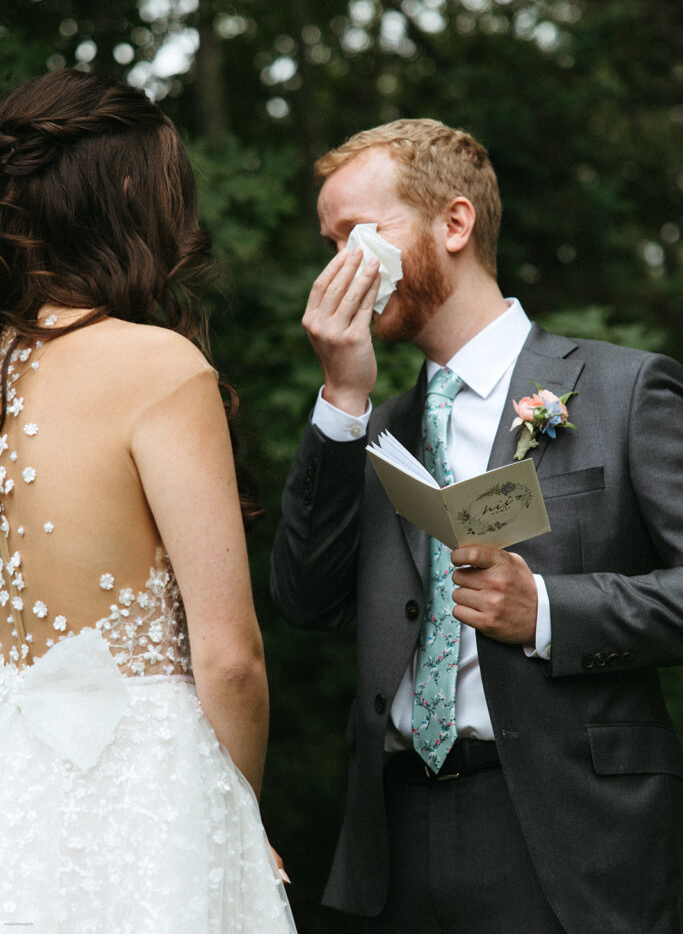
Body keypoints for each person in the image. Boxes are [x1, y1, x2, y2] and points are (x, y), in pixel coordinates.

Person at [270, 118, 683, 934]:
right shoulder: (373, 426)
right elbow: (304, 599)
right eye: (329, 246)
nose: (340, 268)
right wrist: (343, 399)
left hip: (572, 831)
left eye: (358, 234)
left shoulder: (618, 391)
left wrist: (552, 612)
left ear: (453, 224)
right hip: (395, 841)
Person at [0, 69, 296, 934]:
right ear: (128, 193)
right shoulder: (156, 365)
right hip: (152, 795)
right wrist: (235, 813)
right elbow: (231, 657)